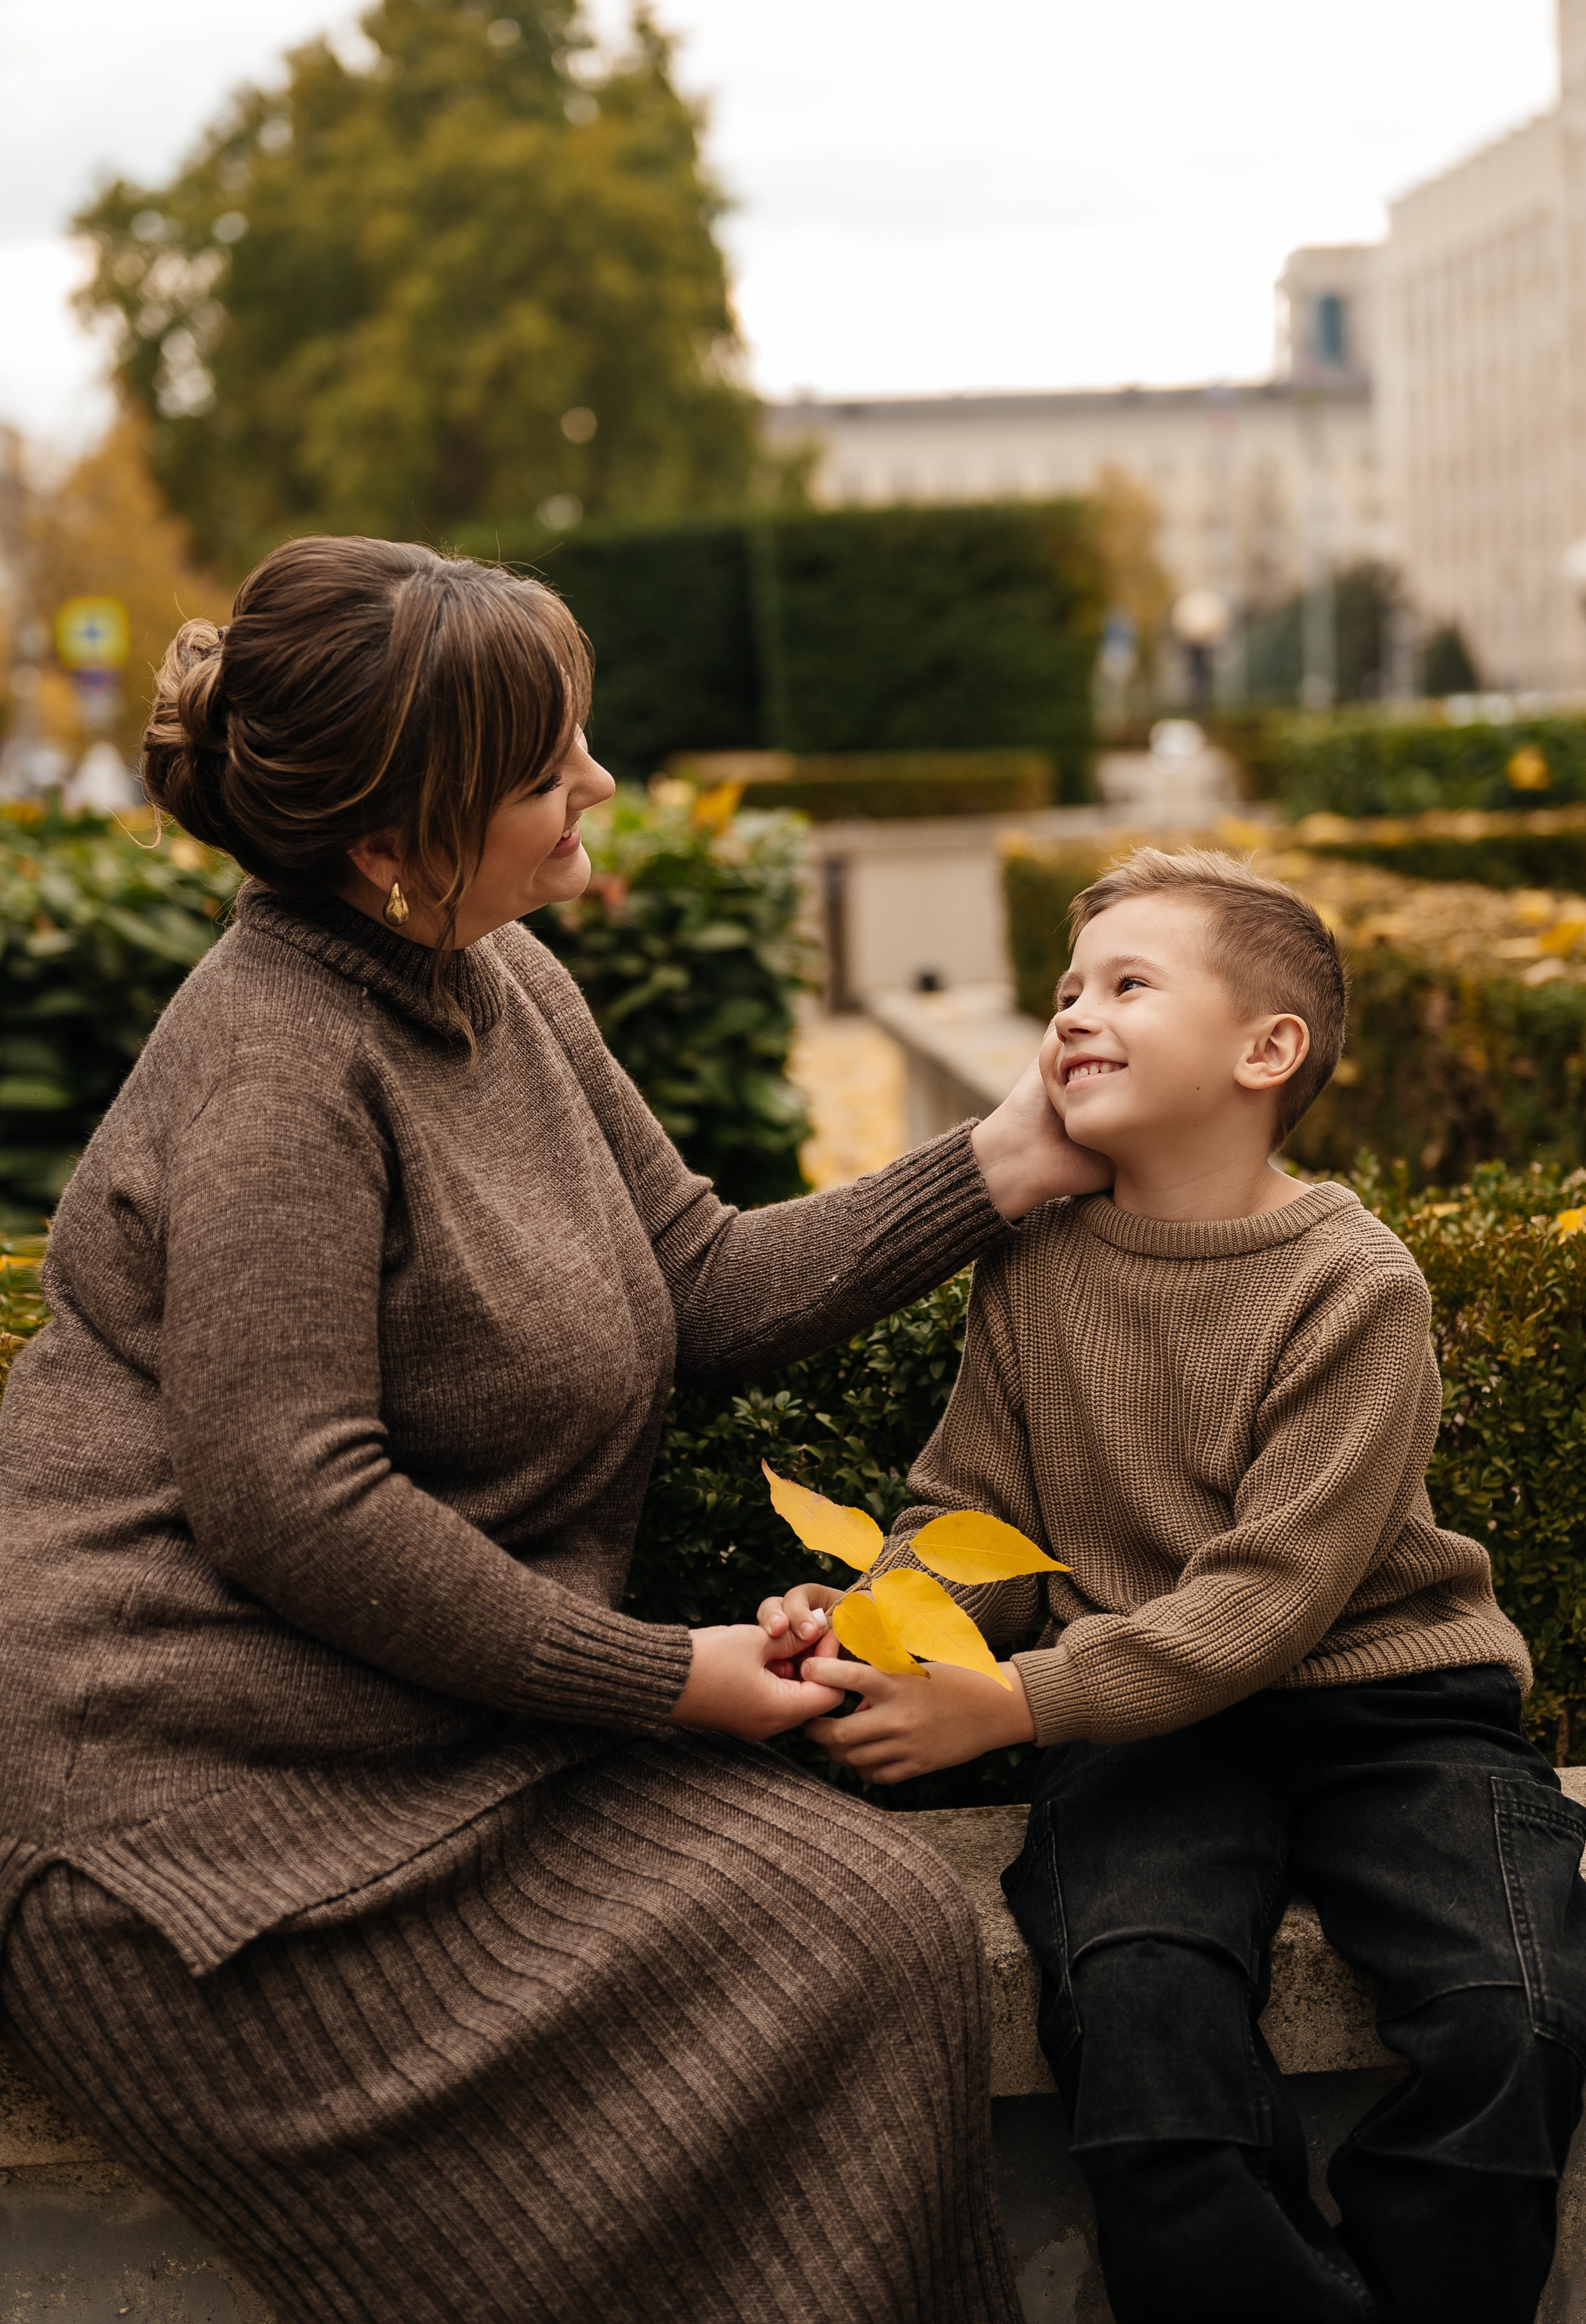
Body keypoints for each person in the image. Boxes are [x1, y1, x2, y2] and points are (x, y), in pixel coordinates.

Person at [0, 535, 1116, 2324]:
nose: (600, 782)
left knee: (887, 1928)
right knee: (837, 1953)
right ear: (390, 848)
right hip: (201, 1834)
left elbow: (701, 1283)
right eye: (546, 770)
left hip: (431, 1748)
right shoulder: (279, 1065)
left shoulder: (490, 973)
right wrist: (666, 1675)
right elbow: (290, 1504)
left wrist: (1004, 1165)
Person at [763, 846, 1586, 2324]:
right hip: (1142, 1736)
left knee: (1508, 2010)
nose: (1072, 1012)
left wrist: (1002, 1705)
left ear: (1264, 1051)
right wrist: (869, 1629)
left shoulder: (1352, 1282)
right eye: (1066, 988)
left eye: (1127, 984)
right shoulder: (1030, 1266)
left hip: (1388, 1708)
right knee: (1135, 2006)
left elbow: (1269, 1597)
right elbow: (969, 1516)